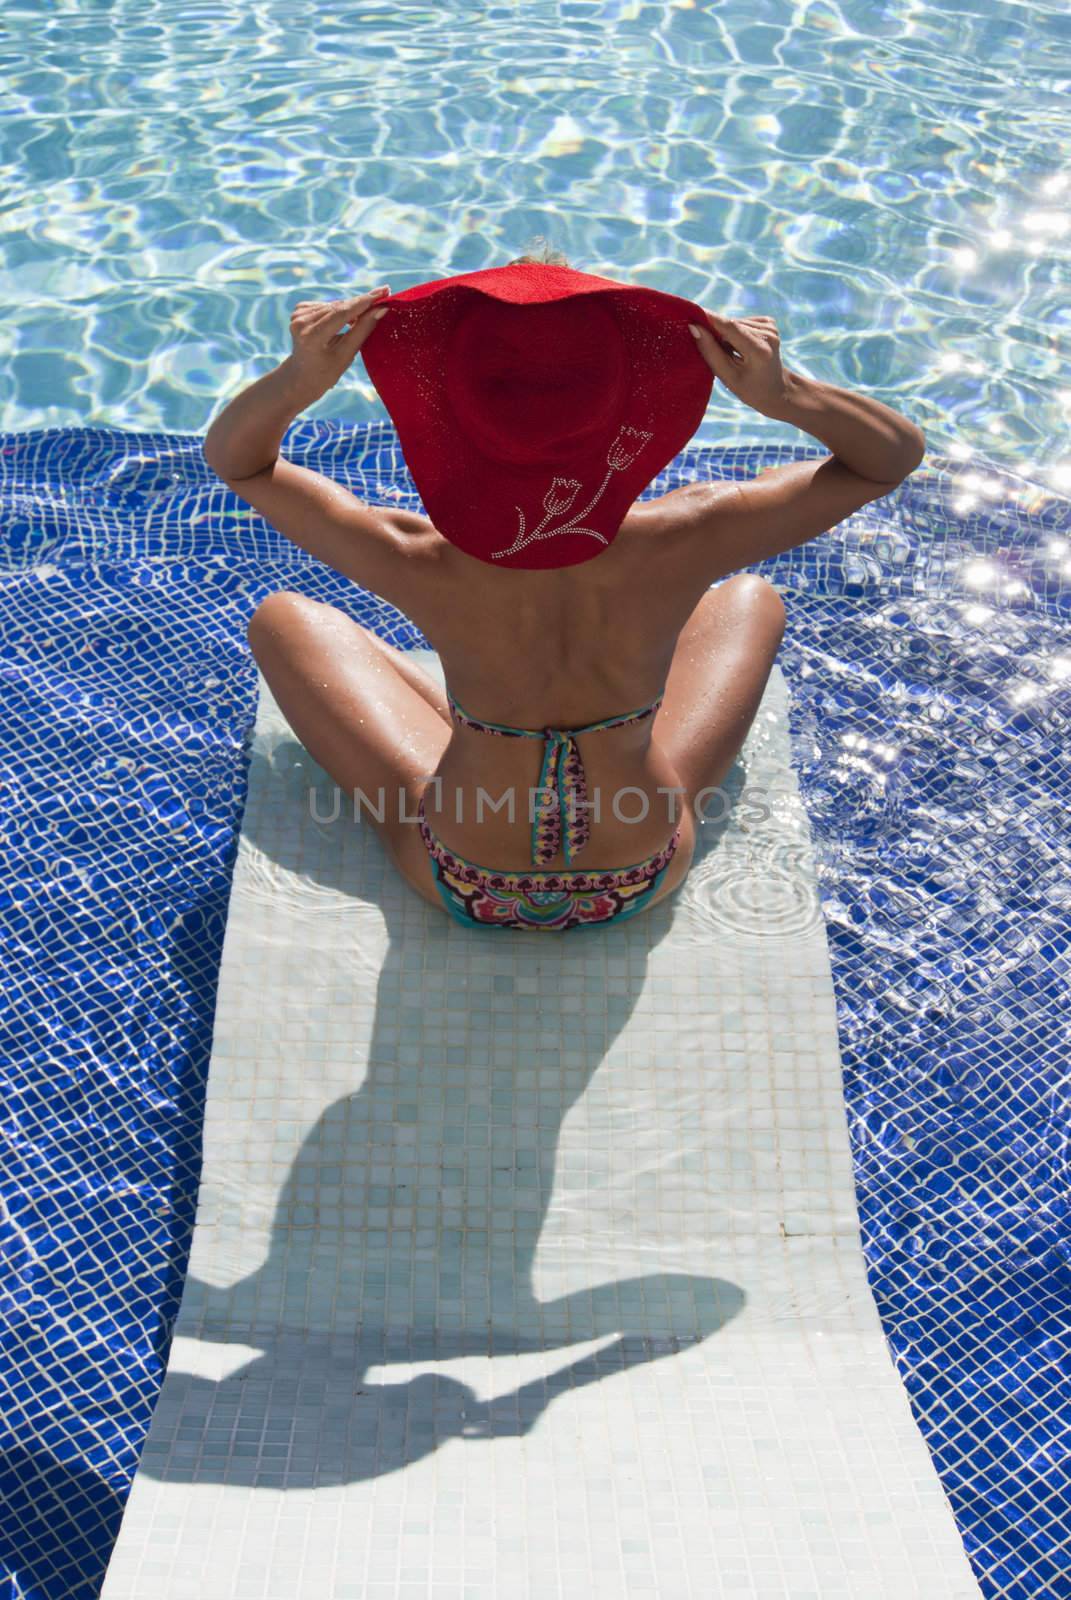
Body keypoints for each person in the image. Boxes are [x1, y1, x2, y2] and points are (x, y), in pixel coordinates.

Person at [202, 247, 925, 932]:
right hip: (642, 871)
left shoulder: (415, 555)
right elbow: (883, 461)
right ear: (624, 405)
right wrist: (782, 391)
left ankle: (487, 731)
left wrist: (299, 380)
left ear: (454, 411)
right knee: (749, 598)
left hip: (461, 877)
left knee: (284, 617)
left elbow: (242, 465)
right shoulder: (689, 534)